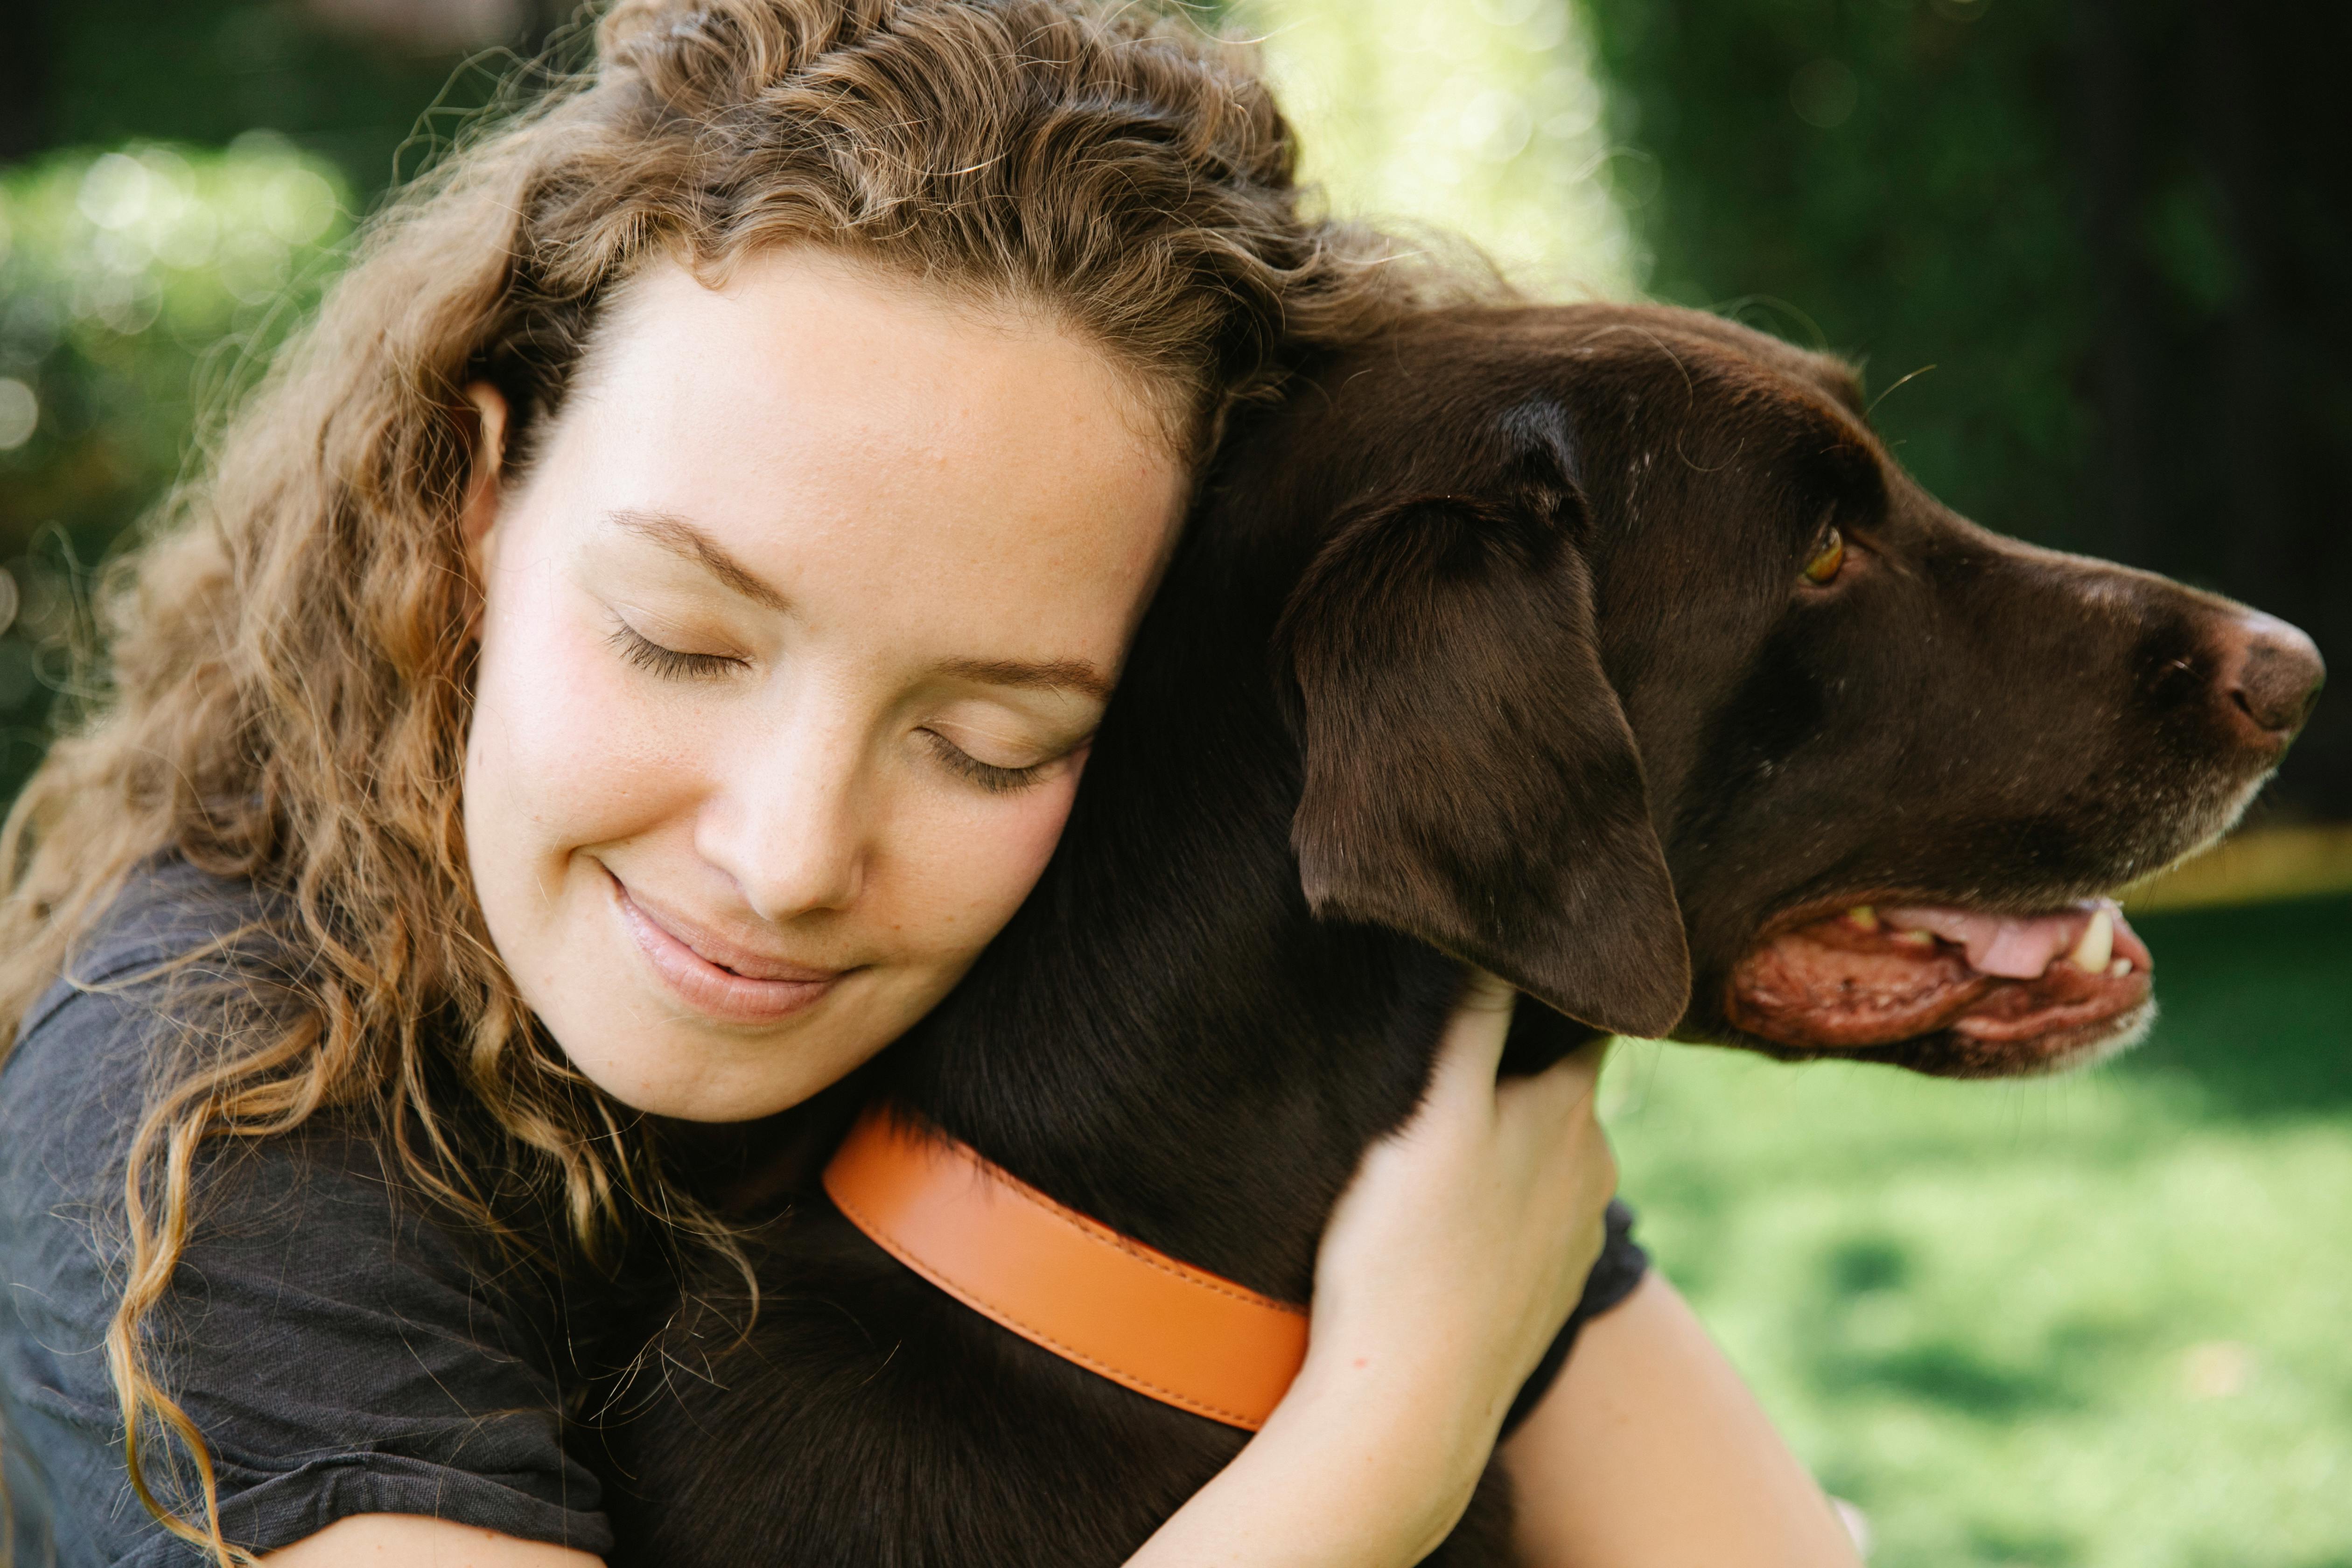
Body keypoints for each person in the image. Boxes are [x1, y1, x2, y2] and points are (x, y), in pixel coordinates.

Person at [0, 2, 1864, 1564]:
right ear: (476, 507)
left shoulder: (1125, 940)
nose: (789, 857)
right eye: (682, 641)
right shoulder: (202, 1117)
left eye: (996, 740)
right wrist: (1400, 1419)